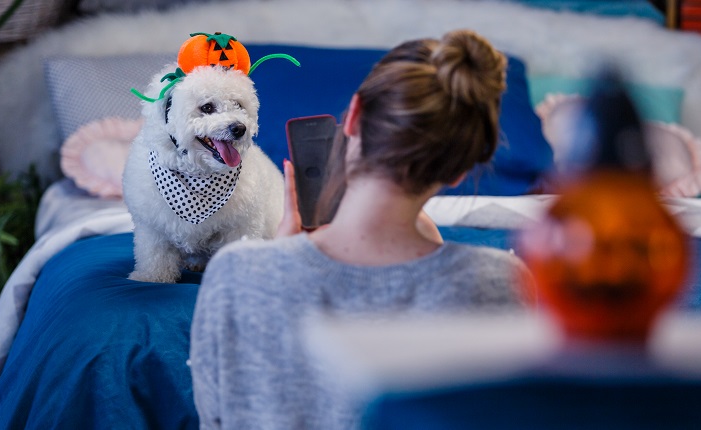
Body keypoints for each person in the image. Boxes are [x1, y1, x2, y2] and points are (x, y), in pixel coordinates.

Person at [190, 29, 531, 430]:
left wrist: (276, 261)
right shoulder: (503, 283)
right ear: (459, 172)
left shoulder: (236, 274)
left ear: (353, 115)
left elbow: (217, 419)